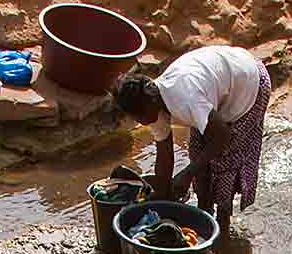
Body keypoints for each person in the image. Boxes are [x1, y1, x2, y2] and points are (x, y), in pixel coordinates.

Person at [114, 46, 272, 228]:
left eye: (139, 117)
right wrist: (161, 194)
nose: (141, 122)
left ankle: (222, 224)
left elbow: (222, 136)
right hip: (216, 88)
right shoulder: (153, 104)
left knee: (224, 161)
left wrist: (188, 173)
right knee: (197, 153)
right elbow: (165, 155)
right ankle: (204, 211)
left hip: (249, 82)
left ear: (151, 101)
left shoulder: (185, 98)